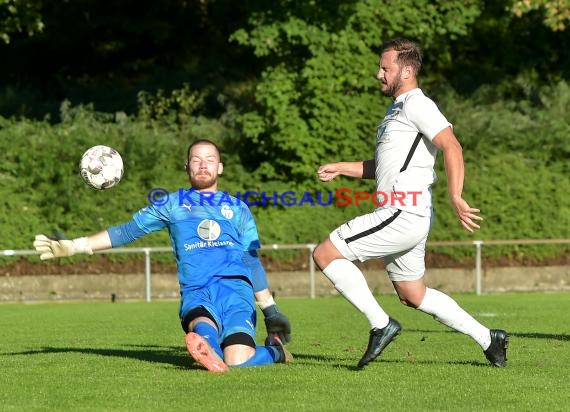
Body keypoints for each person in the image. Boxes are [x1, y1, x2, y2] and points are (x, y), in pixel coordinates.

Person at [312, 38, 508, 368]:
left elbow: (452, 146)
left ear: (407, 70)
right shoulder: (397, 110)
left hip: (401, 211)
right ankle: (489, 339)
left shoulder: (418, 104)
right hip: (408, 215)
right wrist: (342, 168)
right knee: (412, 294)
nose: (378, 73)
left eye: (385, 67)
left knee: (324, 253)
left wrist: (456, 195)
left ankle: (380, 324)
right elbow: (383, 167)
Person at [33, 139, 292, 373]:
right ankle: (204, 346)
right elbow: (126, 232)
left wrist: (271, 311)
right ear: (187, 167)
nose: (203, 165)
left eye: (210, 160)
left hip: (236, 291)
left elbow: (251, 259)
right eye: (196, 160)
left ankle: (275, 351)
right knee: (203, 326)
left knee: (238, 360)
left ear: (220, 167)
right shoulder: (171, 204)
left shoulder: (238, 208)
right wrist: (74, 246)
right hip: (197, 290)